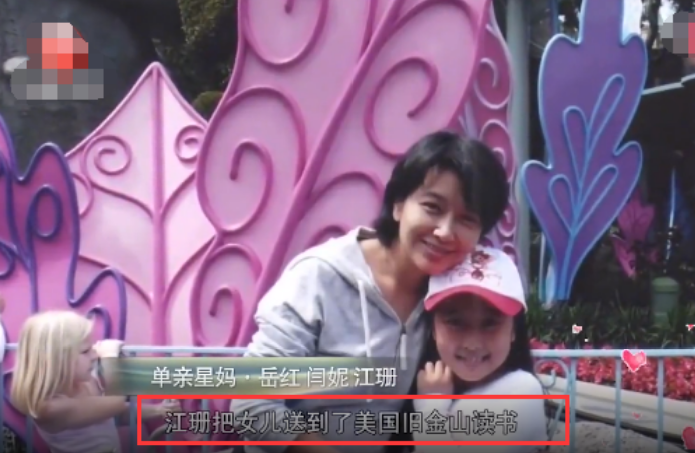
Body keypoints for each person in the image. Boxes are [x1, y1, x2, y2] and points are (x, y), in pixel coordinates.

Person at [231, 130, 510, 453]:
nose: (445, 231)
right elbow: (251, 403)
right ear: (398, 205)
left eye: (466, 220)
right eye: (433, 207)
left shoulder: (453, 296)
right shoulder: (318, 277)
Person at [413, 246, 548, 451]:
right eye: (455, 322)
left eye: (490, 323)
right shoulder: (425, 383)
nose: (472, 343)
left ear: (514, 330)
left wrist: (431, 407)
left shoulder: (523, 392)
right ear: (433, 328)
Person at [9, 311, 178, 453]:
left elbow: (112, 412)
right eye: (85, 351)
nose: (95, 355)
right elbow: (116, 402)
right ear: (55, 360)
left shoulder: (86, 381)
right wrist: (110, 356)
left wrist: (159, 410)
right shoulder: (49, 407)